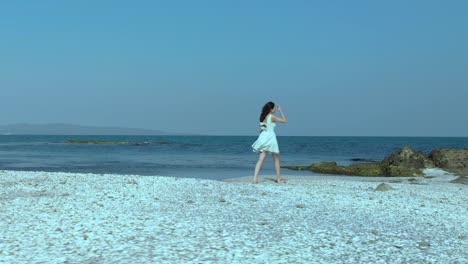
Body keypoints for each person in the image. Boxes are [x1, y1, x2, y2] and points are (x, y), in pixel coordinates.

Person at [251, 101, 287, 184]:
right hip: (270, 138)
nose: (275, 109)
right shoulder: (272, 117)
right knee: (276, 159)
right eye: (274, 108)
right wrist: (281, 111)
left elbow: (261, 129)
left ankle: (254, 179)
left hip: (263, 137)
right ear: (271, 109)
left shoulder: (263, 116)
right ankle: (278, 180)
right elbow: (285, 121)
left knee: (261, 159)